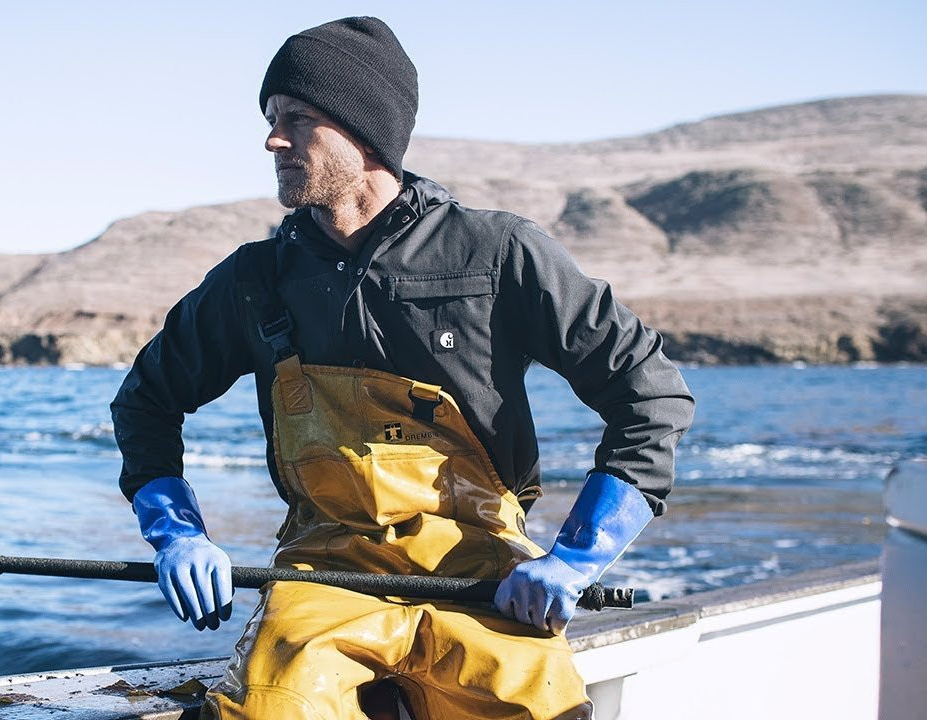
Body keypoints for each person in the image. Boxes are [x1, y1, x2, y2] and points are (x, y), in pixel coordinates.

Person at [112, 16, 694, 720]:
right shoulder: (253, 281)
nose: (272, 139)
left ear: (365, 129)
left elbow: (651, 394)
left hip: (482, 572)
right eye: (271, 120)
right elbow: (145, 402)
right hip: (322, 575)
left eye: (297, 118)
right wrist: (178, 532)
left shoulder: (498, 252)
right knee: (266, 710)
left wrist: (575, 557)